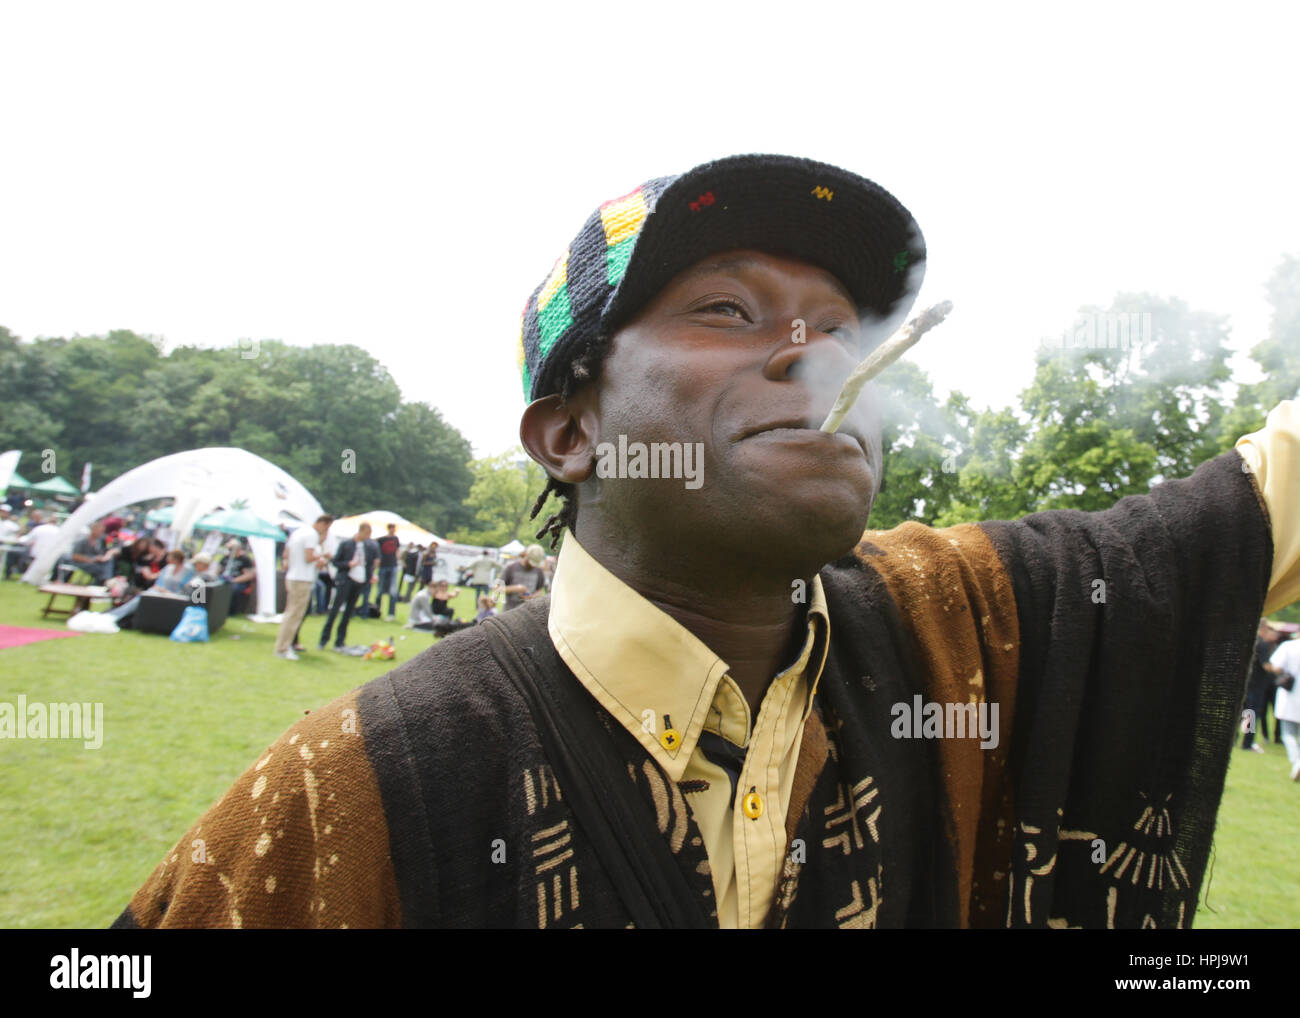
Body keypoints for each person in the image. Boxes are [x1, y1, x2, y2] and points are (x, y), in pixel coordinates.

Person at [113, 154, 1299, 930]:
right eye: (728, 310)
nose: (817, 351)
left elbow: (1250, 509)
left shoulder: (962, 616)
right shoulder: (361, 779)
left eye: (840, 326)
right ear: (570, 432)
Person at [273, 515, 333, 661]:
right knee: (294, 615)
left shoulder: (298, 532)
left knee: (291, 613)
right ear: (322, 523)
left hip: (293, 576)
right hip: (301, 579)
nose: (325, 531)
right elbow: (308, 557)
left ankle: (284, 645)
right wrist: (323, 555)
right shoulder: (311, 534)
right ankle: (283, 648)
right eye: (326, 527)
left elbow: (286, 554)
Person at [319, 523, 370, 651]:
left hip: (358, 581)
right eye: (367, 533)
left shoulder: (367, 546)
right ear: (361, 531)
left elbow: (367, 564)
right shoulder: (346, 544)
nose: (368, 536)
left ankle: (340, 641)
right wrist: (348, 564)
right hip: (345, 580)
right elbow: (335, 561)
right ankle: (324, 639)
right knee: (335, 610)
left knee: (348, 613)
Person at [1242, 620, 1283, 751]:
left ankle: (1240, 739)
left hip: (1249, 683)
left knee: (1246, 713)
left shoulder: (1253, 641)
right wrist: (1279, 669)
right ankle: (1248, 742)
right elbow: (1266, 666)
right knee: (1253, 714)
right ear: (1264, 628)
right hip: (1257, 685)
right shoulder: (1263, 644)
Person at [1268, 635, 1300, 781]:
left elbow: (1276, 666)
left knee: (1287, 733)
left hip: (1290, 695)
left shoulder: (1289, 646)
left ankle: (1296, 761)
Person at [498, 544, 546, 611]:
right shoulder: (511, 568)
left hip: (529, 613)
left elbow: (539, 591)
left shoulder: (538, 571)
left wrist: (532, 597)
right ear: (526, 555)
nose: (532, 566)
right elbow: (498, 589)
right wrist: (517, 588)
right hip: (510, 612)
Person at [219, 539, 257, 615]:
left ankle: (230, 611)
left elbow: (248, 575)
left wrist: (234, 580)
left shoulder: (245, 560)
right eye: (229, 549)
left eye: (231, 549)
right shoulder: (225, 558)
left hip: (238, 581)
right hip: (224, 579)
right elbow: (218, 569)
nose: (230, 551)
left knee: (233, 590)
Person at [376, 523, 402, 622]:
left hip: (393, 566)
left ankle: (391, 613)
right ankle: (377, 610)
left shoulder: (396, 539)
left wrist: (397, 557)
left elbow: (397, 550)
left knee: (393, 591)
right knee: (380, 590)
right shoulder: (381, 539)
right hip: (383, 565)